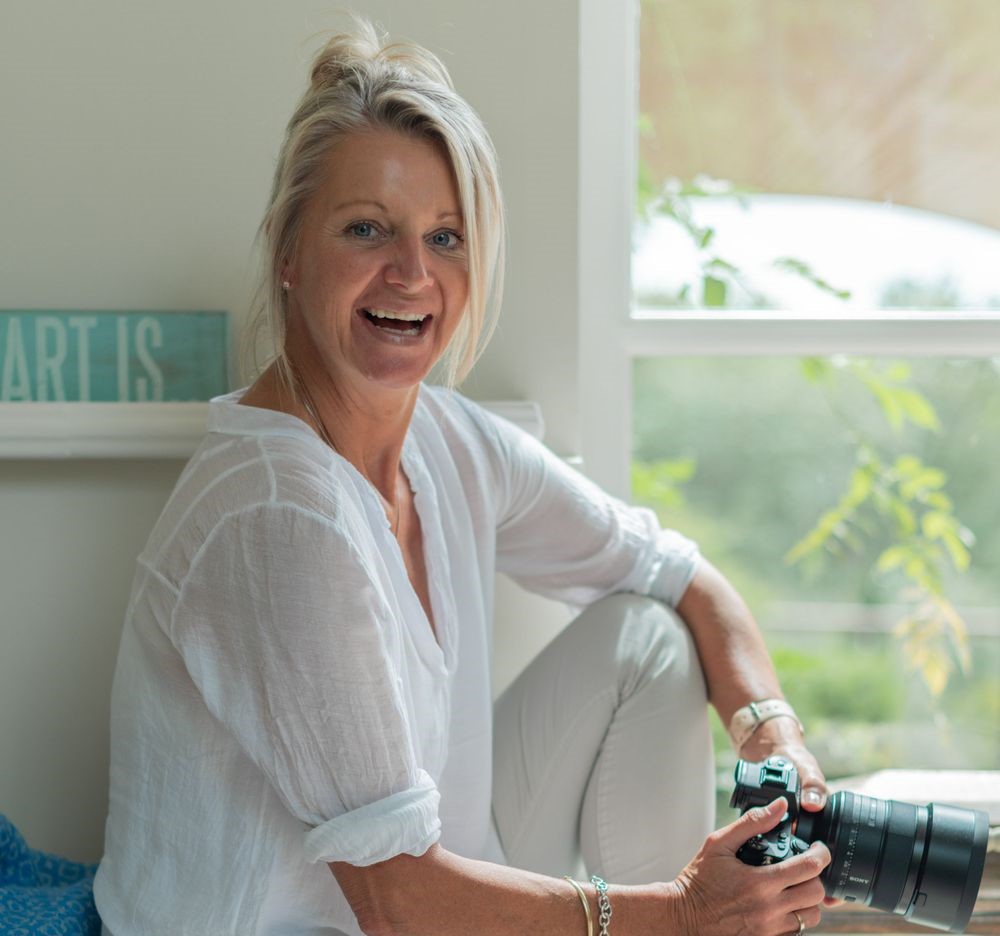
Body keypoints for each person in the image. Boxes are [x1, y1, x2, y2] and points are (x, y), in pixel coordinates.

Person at [95, 20, 833, 936]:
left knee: (649, 636)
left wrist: (771, 730)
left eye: (445, 238)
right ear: (288, 255)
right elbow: (399, 902)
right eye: (367, 229)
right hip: (327, 920)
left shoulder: (445, 439)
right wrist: (678, 912)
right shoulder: (277, 513)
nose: (412, 273)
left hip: (437, 883)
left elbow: (676, 572)